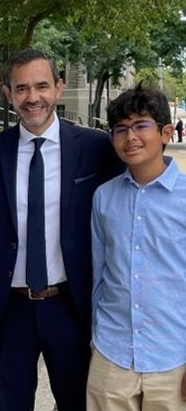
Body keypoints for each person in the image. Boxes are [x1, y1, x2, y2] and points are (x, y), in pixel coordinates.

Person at [0, 48, 124, 411]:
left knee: (77, 405)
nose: (32, 97)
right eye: (21, 89)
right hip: (8, 309)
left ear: (57, 87)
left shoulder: (95, 147)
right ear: (8, 94)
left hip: (70, 306)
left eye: (41, 86)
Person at [88, 83, 186, 410]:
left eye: (141, 125)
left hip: (173, 357)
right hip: (112, 353)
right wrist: (95, 339)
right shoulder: (104, 197)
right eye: (120, 129)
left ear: (166, 132)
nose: (130, 137)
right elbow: (99, 273)